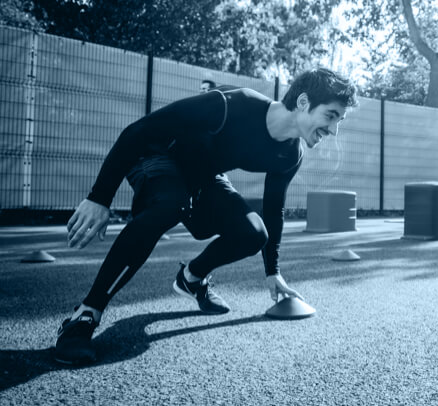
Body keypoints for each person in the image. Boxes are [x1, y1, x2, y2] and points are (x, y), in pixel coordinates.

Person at [54, 68, 357, 365]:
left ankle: (191, 279)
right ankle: (86, 314)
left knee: (254, 233)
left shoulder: (290, 154)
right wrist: (99, 198)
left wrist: (272, 271)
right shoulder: (229, 105)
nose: (334, 130)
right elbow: (137, 131)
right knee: (169, 204)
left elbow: (273, 209)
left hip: (203, 174)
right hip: (157, 156)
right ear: (303, 102)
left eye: (339, 120)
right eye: (331, 116)